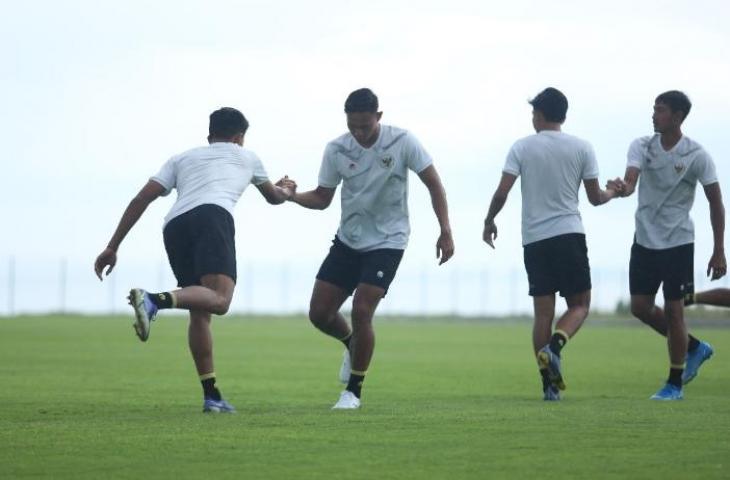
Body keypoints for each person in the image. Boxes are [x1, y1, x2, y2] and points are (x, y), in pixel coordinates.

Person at [93, 107, 294, 413]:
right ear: (240, 137)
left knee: (200, 311)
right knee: (220, 300)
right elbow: (274, 197)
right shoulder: (248, 157)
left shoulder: (182, 158)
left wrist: (112, 246)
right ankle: (152, 300)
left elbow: (141, 198)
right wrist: (288, 189)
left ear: (209, 135)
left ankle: (211, 396)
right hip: (212, 216)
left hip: (175, 226)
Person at [287, 88, 454, 409]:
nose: (359, 133)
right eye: (353, 126)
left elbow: (434, 183)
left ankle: (353, 391)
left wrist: (445, 230)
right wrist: (292, 196)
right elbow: (322, 198)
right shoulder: (336, 149)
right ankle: (352, 345)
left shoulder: (402, 141)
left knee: (362, 310)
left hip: (388, 241)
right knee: (319, 314)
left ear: (379, 117)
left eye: (366, 126)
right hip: (348, 240)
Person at [482, 87, 619, 401]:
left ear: (539, 115)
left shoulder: (521, 148)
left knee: (543, 314)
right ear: (564, 115)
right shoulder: (582, 147)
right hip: (569, 234)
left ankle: (548, 386)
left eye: (533, 113)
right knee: (580, 305)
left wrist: (489, 220)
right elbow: (596, 198)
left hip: (534, 240)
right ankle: (554, 347)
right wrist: (615, 191)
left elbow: (502, 192)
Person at [609, 90, 726, 400]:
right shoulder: (642, 146)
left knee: (675, 310)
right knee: (640, 308)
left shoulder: (696, 155)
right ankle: (695, 347)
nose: (653, 114)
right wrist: (621, 188)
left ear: (677, 117)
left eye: (660, 110)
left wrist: (718, 249)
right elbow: (630, 181)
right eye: (654, 109)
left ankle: (674, 384)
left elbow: (716, 203)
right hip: (644, 241)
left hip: (678, 242)